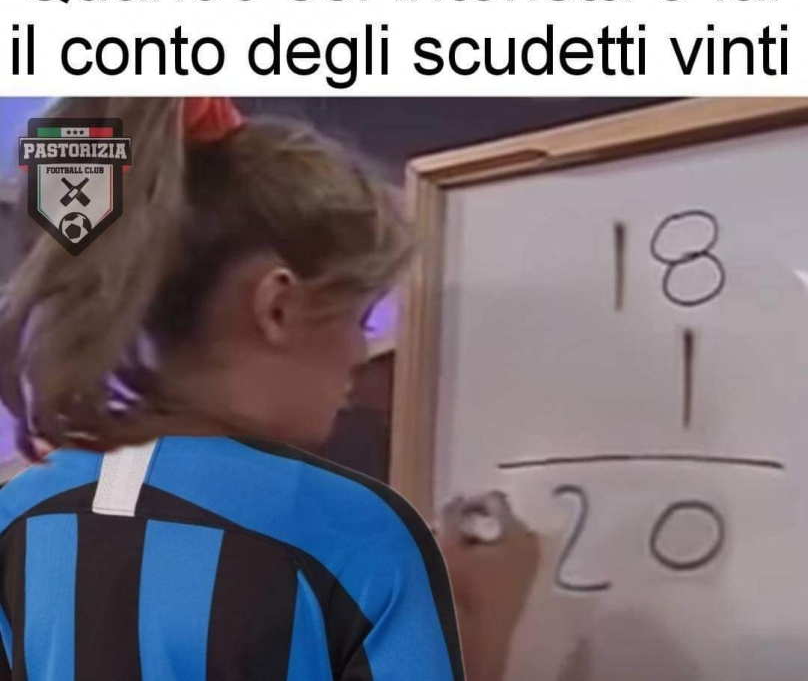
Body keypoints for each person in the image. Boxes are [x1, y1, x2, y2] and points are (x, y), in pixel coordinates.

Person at [0, 97, 539, 681]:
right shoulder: (355, 535)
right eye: (358, 320)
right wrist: (480, 623)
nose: (362, 356)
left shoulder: (18, 516)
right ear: (277, 307)